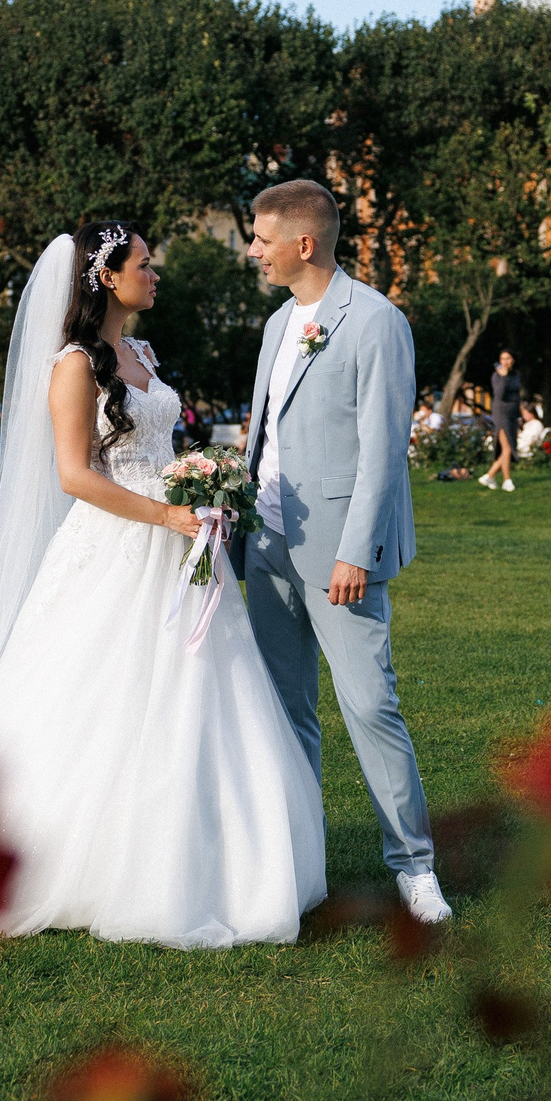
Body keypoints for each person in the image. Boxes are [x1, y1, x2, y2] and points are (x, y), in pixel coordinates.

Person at [0, 223, 324, 946]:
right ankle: (79, 855)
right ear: (108, 278)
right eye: (144, 264)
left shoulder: (142, 352)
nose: (154, 273)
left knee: (203, 696)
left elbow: (158, 441)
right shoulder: (72, 364)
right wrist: (165, 510)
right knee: (100, 695)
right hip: (117, 543)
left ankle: (217, 856)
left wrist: (202, 486)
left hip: (180, 539)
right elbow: (76, 475)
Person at [236, 178, 449, 925]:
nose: (252, 250)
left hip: (339, 557)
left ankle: (414, 867)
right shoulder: (274, 326)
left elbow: (382, 450)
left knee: (370, 705)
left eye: (261, 238)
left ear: (304, 242)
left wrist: (357, 551)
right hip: (264, 547)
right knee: (285, 710)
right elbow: (266, 436)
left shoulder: (376, 320)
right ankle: (301, 859)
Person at [479, 349, 521, 493]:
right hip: (501, 413)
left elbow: (517, 394)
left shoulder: (516, 375)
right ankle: (507, 480)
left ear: (512, 360)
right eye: (502, 358)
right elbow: (500, 394)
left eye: (508, 358)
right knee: (507, 447)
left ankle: (489, 476)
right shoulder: (497, 376)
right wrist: (503, 378)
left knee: (508, 447)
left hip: (512, 414)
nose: (505, 361)